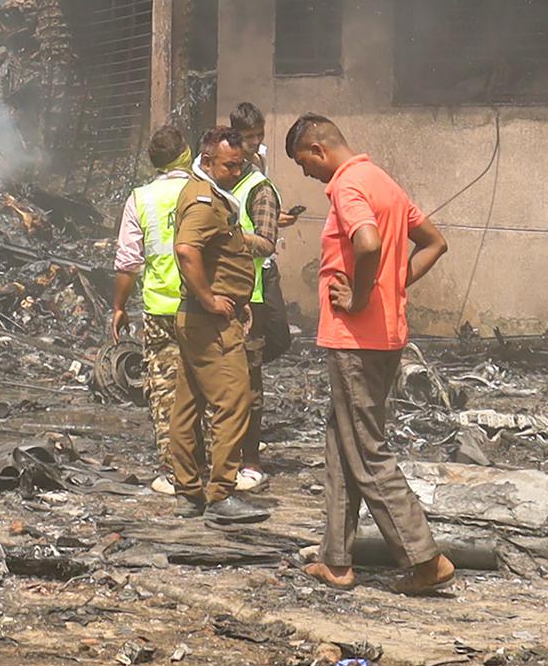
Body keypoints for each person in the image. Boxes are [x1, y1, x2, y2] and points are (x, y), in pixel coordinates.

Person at [282, 114, 458, 597]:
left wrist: (360, 297)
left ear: (318, 150)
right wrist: (392, 284)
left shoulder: (349, 185)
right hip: (385, 336)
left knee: (366, 450)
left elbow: (367, 242)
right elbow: (434, 243)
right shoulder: (384, 182)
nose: (307, 175)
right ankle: (336, 561)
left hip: (356, 339)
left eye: (303, 164)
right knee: (343, 444)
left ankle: (425, 558)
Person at [169, 129, 263, 512]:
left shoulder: (209, 195)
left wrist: (239, 297)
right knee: (234, 401)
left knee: (188, 405)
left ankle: (188, 491)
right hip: (209, 323)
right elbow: (186, 250)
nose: (236, 171)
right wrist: (210, 299)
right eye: (229, 164)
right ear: (207, 161)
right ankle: (222, 492)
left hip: (197, 318)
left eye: (240, 164)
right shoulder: (205, 201)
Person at [110, 128, 202, 500]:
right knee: (207, 384)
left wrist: (118, 307)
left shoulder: (140, 199)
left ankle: (173, 469)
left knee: (166, 392)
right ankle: (209, 463)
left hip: (160, 309)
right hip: (203, 307)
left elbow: (128, 264)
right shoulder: (204, 193)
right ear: (186, 153)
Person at [221, 102, 284, 486]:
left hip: (250, 293)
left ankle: (250, 458)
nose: (255, 145)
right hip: (217, 294)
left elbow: (264, 241)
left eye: (259, 137)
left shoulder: (257, 186)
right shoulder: (218, 177)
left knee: (249, 379)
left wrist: (224, 235)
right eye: (249, 138)